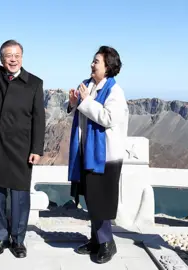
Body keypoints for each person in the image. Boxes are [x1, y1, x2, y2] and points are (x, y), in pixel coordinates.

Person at [0, 37, 46, 258]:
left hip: (22, 149)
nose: (12, 59)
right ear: (1, 58)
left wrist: (37, 149)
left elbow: (38, 119)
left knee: (20, 198)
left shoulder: (34, 83)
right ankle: (0, 238)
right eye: (8, 56)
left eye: (16, 55)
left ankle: (18, 240)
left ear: (22, 57)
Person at [67, 46, 128, 264]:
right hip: (87, 152)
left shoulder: (115, 91)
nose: (92, 64)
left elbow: (108, 118)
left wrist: (84, 102)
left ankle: (107, 243)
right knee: (92, 199)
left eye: (97, 61)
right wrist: (74, 103)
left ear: (108, 67)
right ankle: (95, 240)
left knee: (101, 200)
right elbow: (81, 113)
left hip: (105, 157)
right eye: (93, 61)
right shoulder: (89, 85)